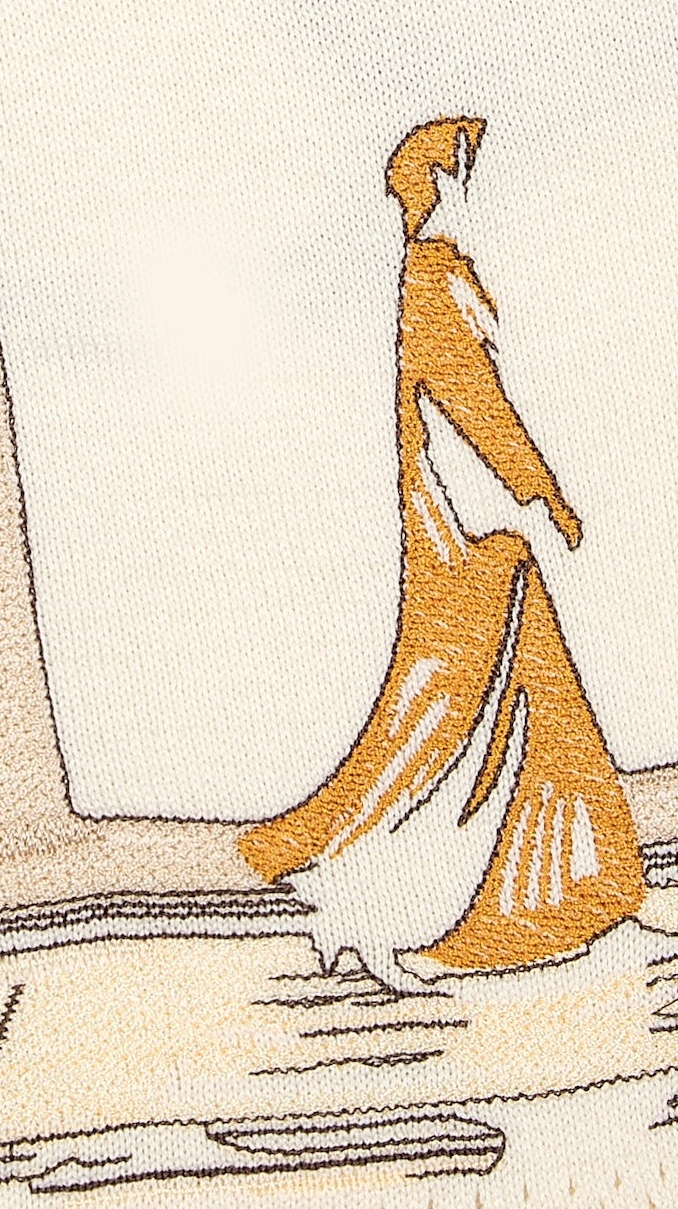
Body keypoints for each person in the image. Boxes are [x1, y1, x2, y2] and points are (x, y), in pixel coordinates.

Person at [240, 115, 645, 972]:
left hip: (439, 519)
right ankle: (478, 896)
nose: (470, 189)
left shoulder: (416, 278)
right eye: (461, 174)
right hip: (444, 525)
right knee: (461, 680)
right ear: (438, 189)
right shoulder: (430, 278)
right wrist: (544, 490)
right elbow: (473, 402)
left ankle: (552, 888)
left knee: (461, 684)